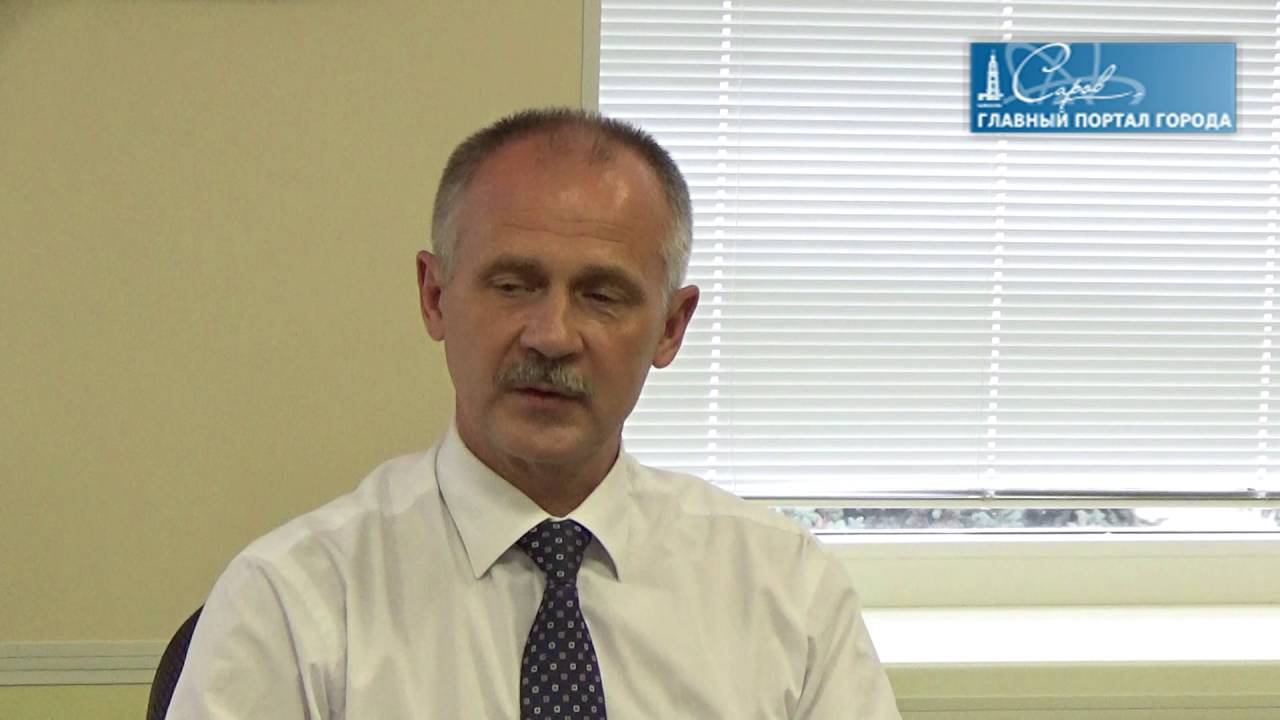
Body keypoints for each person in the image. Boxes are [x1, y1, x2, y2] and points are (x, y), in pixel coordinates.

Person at [167, 108, 901, 719]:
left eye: (602, 296)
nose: (551, 336)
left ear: (671, 328)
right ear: (434, 297)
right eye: (513, 285)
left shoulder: (788, 591)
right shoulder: (290, 604)